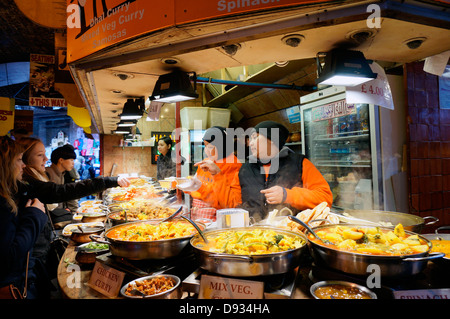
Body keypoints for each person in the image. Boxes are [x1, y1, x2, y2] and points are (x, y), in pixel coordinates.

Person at [16, 136, 130, 298]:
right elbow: (63, 191)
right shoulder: (27, 183)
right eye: (40, 155)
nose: (46, 159)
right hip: (33, 252)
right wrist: (111, 181)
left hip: (38, 246)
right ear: (25, 159)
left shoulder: (33, 179)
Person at [229, 121, 333, 222]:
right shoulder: (245, 169)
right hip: (253, 234)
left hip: (290, 233)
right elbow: (232, 205)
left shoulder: (300, 164)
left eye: (255, 138)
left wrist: (288, 195)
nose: (250, 143)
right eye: (250, 139)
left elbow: (325, 198)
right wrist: (216, 176)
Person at [0, 136, 48, 299]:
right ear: (5, 165)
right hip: (14, 287)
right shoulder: (3, 204)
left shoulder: (9, 196)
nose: (23, 165)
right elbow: (9, 256)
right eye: (19, 160)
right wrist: (34, 215)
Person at [179, 126, 242, 221]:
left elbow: (230, 204)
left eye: (211, 147)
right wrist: (189, 186)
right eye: (205, 146)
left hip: (219, 218)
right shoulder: (207, 161)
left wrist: (199, 188)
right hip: (198, 214)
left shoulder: (233, 165)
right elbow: (199, 185)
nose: (206, 150)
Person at [46, 144, 79, 214]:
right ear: (61, 160)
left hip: (60, 213)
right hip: (53, 216)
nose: (73, 163)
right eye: (71, 160)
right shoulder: (48, 174)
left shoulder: (62, 174)